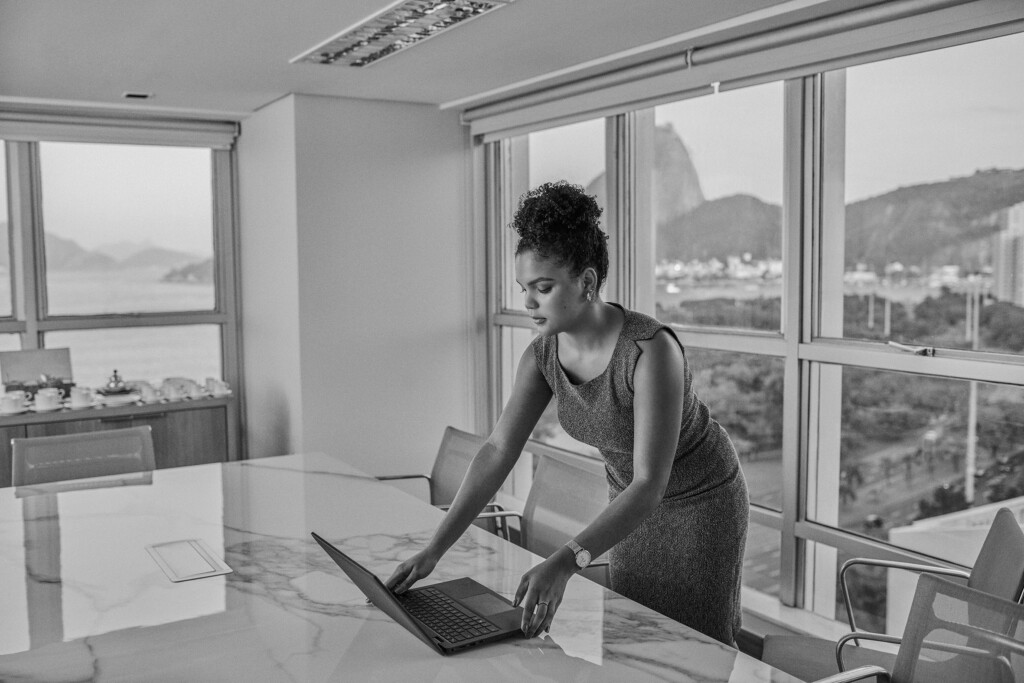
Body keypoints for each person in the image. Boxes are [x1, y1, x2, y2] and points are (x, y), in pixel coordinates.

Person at [386, 181, 749, 646]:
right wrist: (435, 549)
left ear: (588, 283)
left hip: (699, 504)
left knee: (699, 650)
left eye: (543, 287)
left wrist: (566, 559)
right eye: (524, 288)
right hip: (629, 506)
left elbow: (649, 482)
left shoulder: (649, 352)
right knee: (634, 639)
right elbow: (498, 450)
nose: (528, 302)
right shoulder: (542, 357)